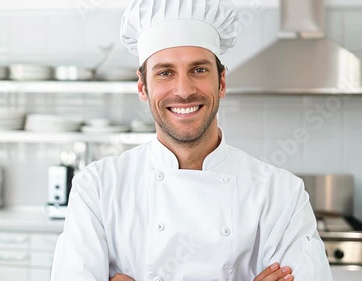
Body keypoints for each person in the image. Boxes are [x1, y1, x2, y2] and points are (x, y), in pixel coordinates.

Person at [51, 0, 332, 280]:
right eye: (165, 72)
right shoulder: (98, 189)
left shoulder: (281, 194)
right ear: (142, 88)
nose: (184, 91)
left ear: (221, 82)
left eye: (199, 70)